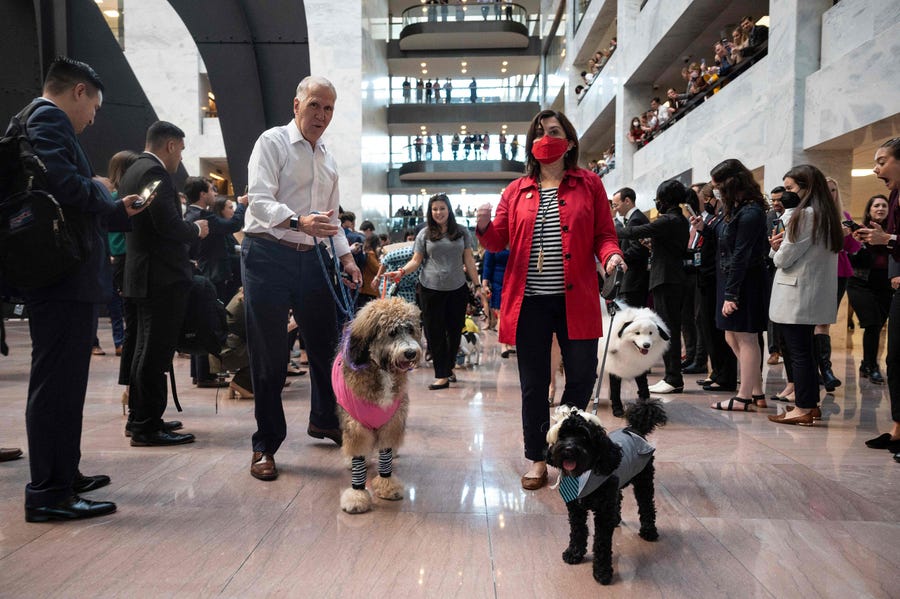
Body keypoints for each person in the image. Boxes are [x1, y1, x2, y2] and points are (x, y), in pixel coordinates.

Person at [20, 57, 148, 522]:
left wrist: (115, 207)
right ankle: (48, 493)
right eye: (93, 106)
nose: (92, 117)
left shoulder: (33, 121)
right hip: (61, 277)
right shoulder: (49, 120)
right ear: (78, 91)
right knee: (56, 386)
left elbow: (70, 196)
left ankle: (64, 475)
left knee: (65, 384)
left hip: (59, 273)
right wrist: (104, 193)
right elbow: (67, 188)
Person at [475, 109, 625, 490]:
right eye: (539, 132)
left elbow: (604, 234)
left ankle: (571, 453)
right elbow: (497, 242)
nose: (546, 137)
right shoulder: (516, 190)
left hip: (576, 298)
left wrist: (611, 257)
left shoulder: (589, 184)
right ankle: (537, 458)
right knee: (533, 384)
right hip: (530, 303)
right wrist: (482, 225)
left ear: (569, 141)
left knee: (581, 377)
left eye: (554, 131)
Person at [241, 75, 361, 482]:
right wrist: (298, 221)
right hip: (266, 254)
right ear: (297, 105)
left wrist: (346, 260)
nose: (321, 115)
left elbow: (332, 221)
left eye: (328, 108)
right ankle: (265, 444)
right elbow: (258, 200)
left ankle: (324, 419)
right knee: (270, 355)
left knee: (328, 347)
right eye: (315, 105)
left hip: (312, 257)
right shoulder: (271, 143)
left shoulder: (327, 157)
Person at [121, 121, 208, 446]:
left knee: (146, 349)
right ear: (170, 145)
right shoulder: (153, 173)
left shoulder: (133, 169)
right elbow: (168, 226)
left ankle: (142, 418)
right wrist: (196, 230)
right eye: (181, 149)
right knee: (154, 353)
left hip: (145, 273)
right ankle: (146, 425)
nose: (179, 157)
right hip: (159, 276)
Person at [690, 159, 769, 411]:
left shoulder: (751, 212)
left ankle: (744, 396)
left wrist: (731, 294)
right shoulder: (735, 209)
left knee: (746, 338)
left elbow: (741, 255)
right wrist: (703, 229)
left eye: (717, 186)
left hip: (744, 282)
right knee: (732, 336)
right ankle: (756, 391)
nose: (714, 192)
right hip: (730, 279)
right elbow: (724, 237)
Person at [767, 164, 843, 426]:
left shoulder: (807, 214)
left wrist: (774, 250)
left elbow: (785, 259)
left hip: (798, 291)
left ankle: (804, 407)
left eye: (790, 188)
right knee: (805, 351)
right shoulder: (825, 213)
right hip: (809, 291)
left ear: (806, 187)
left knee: (798, 351)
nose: (786, 194)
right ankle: (810, 405)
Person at [387, 194, 481, 390]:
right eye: (434, 209)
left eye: (442, 208)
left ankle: (447, 368)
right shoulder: (424, 234)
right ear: (430, 212)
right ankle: (442, 374)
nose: (438, 212)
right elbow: (416, 260)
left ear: (449, 210)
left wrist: (477, 284)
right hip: (430, 289)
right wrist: (401, 272)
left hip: (457, 288)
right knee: (433, 333)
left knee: (454, 332)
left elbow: (469, 261)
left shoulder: (462, 232)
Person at [618, 180, 690, 395]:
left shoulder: (670, 219)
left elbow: (634, 232)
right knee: (668, 328)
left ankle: (674, 378)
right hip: (668, 278)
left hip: (667, 279)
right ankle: (672, 376)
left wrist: (607, 228)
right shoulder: (677, 220)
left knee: (668, 330)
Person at [855, 138, 900, 456]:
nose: (875, 168)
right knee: (895, 360)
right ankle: (898, 428)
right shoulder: (896, 194)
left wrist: (889, 239)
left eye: (882, 161)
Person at [694, 183, 737, 392]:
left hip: (716, 278)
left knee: (718, 331)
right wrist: (703, 230)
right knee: (708, 328)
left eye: (705, 200)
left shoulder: (726, 216)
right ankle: (717, 372)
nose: (705, 204)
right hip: (709, 277)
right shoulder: (715, 218)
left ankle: (725, 374)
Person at [847, 195, 890, 384]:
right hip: (860, 283)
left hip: (885, 284)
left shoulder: (892, 232)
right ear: (869, 210)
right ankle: (872, 366)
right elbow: (852, 258)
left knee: (878, 326)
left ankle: (866, 363)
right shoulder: (860, 230)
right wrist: (859, 243)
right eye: (876, 205)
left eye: (884, 205)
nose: (880, 208)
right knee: (872, 323)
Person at [765, 186, 785, 365]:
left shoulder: (794, 217)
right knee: (773, 310)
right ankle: (774, 350)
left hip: (789, 266)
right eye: (774, 200)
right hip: (771, 268)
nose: (776, 203)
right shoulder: (770, 217)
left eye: (779, 199)